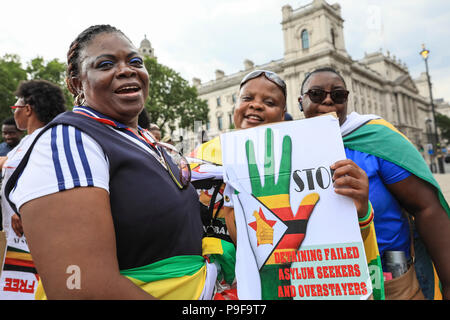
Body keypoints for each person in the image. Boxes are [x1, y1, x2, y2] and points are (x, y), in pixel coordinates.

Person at [4, 24, 216, 300]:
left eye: (135, 61)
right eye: (105, 64)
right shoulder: (68, 141)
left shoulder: (144, 141)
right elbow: (79, 287)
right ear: (76, 83)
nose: (127, 70)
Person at [190, 70, 383, 299]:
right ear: (236, 106)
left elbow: (342, 232)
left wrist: (360, 208)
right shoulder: (199, 158)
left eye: (269, 102)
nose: (256, 106)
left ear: (283, 116)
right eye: (247, 98)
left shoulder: (312, 157)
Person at [298, 67, 450, 300]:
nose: (328, 100)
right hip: (319, 283)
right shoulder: (289, 148)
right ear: (301, 102)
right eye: (317, 94)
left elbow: (427, 207)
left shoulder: (377, 139)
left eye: (339, 95)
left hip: (390, 281)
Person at [1, 80, 66, 238]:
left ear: (28, 109)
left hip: (32, 229)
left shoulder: (47, 140)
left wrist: (23, 209)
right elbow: (6, 162)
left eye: (16, 108)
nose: (14, 112)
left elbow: (50, 180)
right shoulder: (28, 140)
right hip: (15, 233)